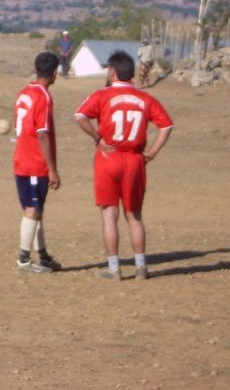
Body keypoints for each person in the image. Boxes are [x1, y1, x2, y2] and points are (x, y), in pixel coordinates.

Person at [74, 50, 173, 281]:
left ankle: (114, 267)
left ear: (112, 72)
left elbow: (80, 115)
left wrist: (98, 138)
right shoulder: (146, 99)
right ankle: (140, 267)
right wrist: (152, 153)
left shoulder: (101, 95)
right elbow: (167, 126)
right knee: (134, 215)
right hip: (135, 160)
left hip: (109, 158)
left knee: (110, 215)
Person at [12, 51, 62, 274]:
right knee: (33, 209)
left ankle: (42, 255)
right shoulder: (43, 96)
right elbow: (42, 133)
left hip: (21, 158)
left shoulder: (24, 92)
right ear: (54, 74)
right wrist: (52, 169)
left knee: (36, 209)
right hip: (34, 162)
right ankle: (23, 260)